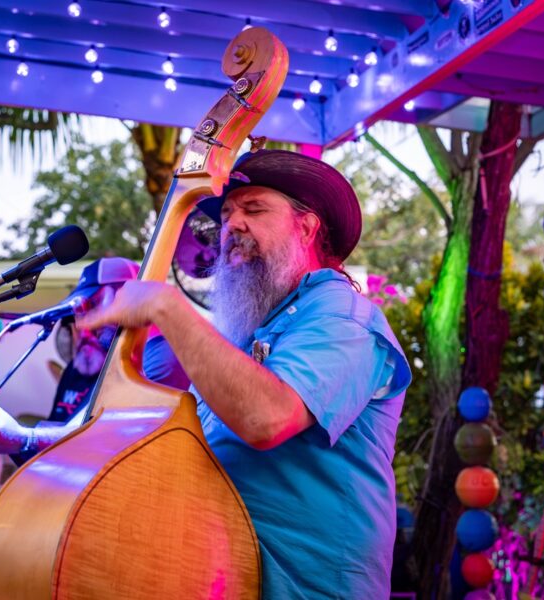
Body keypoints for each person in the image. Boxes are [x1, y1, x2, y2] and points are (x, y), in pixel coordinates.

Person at [77, 149, 412, 598]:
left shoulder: (344, 317)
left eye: (254, 209)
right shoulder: (241, 332)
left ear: (307, 227)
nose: (232, 225)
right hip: (225, 577)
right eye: (228, 214)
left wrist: (165, 303)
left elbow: (265, 417)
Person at [0, 257, 189, 457]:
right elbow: (75, 430)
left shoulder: (161, 354)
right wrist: (10, 439)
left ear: (127, 294)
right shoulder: (113, 367)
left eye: (91, 305)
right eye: (78, 312)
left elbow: (109, 437)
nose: (82, 322)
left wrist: (25, 439)